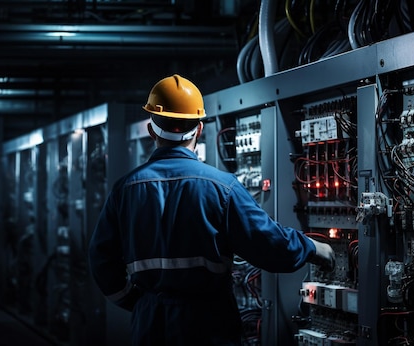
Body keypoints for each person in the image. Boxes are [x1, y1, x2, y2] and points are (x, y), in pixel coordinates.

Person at [88, 74, 336, 346]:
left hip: (151, 323)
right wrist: (312, 248)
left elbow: (101, 261)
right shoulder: (222, 187)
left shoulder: (125, 189)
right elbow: (270, 245)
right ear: (199, 129)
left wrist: (139, 302)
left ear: (151, 130)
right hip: (208, 323)